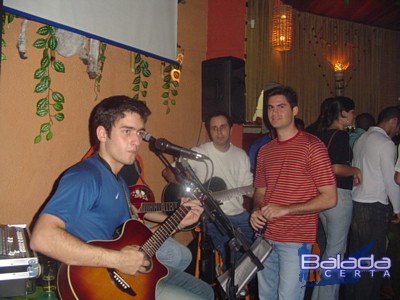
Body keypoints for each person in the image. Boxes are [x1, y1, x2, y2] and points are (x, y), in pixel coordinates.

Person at [30, 95, 214, 300]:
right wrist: (117, 259)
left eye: (140, 132)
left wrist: (176, 222)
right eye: (127, 131)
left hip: (127, 275)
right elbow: (42, 237)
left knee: (205, 291)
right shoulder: (85, 176)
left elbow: (136, 240)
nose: (136, 141)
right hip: (98, 281)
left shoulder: (121, 185)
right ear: (102, 133)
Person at [250, 85, 337, 300]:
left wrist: (285, 210)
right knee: (266, 296)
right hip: (265, 237)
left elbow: (330, 198)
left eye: (281, 106)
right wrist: (256, 210)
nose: (274, 113)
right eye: (270, 108)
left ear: (295, 110)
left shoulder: (312, 146)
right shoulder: (265, 150)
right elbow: (260, 191)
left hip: (296, 240)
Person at [162, 111, 254, 270]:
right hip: (211, 216)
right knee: (234, 250)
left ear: (231, 129)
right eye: (214, 128)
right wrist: (190, 186)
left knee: (262, 242)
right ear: (209, 132)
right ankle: (231, 286)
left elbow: (250, 190)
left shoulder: (241, 156)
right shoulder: (199, 153)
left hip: (239, 214)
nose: (219, 132)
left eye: (223, 127)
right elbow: (167, 173)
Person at [82, 146, 193, 271]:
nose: (135, 140)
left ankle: (158, 284)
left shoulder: (136, 162)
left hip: (135, 225)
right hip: (116, 234)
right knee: (174, 255)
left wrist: (174, 219)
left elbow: (140, 209)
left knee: (186, 255)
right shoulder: (95, 159)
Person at [345, 106, 400, 300]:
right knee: (371, 263)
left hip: (357, 202)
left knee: (356, 259)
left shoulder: (362, 139)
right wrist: (398, 208)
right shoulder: (386, 143)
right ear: (393, 121)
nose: (398, 131)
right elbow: (390, 179)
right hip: (374, 206)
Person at [311, 96, 362, 300]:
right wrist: (356, 170)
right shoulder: (339, 136)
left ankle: (319, 295)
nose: (353, 116)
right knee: (336, 251)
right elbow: (335, 167)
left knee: (329, 248)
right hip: (338, 195)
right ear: (343, 113)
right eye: (352, 112)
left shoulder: (318, 134)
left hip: (320, 195)